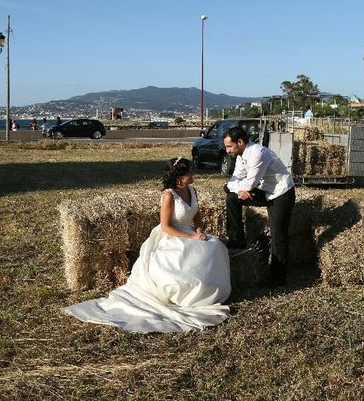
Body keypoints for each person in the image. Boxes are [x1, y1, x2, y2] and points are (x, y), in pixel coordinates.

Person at [64, 157, 231, 333]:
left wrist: (199, 232)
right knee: (181, 264)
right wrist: (190, 238)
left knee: (215, 246)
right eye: (190, 172)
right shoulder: (169, 196)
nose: (193, 174)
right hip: (172, 235)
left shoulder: (192, 190)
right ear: (180, 176)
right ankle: (185, 295)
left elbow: (196, 217)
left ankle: (208, 292)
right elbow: (166, 226)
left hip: (191, 233)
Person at [223, 126, 295, 286]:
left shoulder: (258, 153)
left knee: (278, 235)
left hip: (281, 193)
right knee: (232, 198)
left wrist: (238, 188)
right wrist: (233, 188)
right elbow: (235, 179)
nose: (227, 150)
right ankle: (237, 239)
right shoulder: (241, 155)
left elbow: (249, 183)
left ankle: (278, 278)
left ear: (240, 142)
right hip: (264, 190)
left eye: (229, 146)